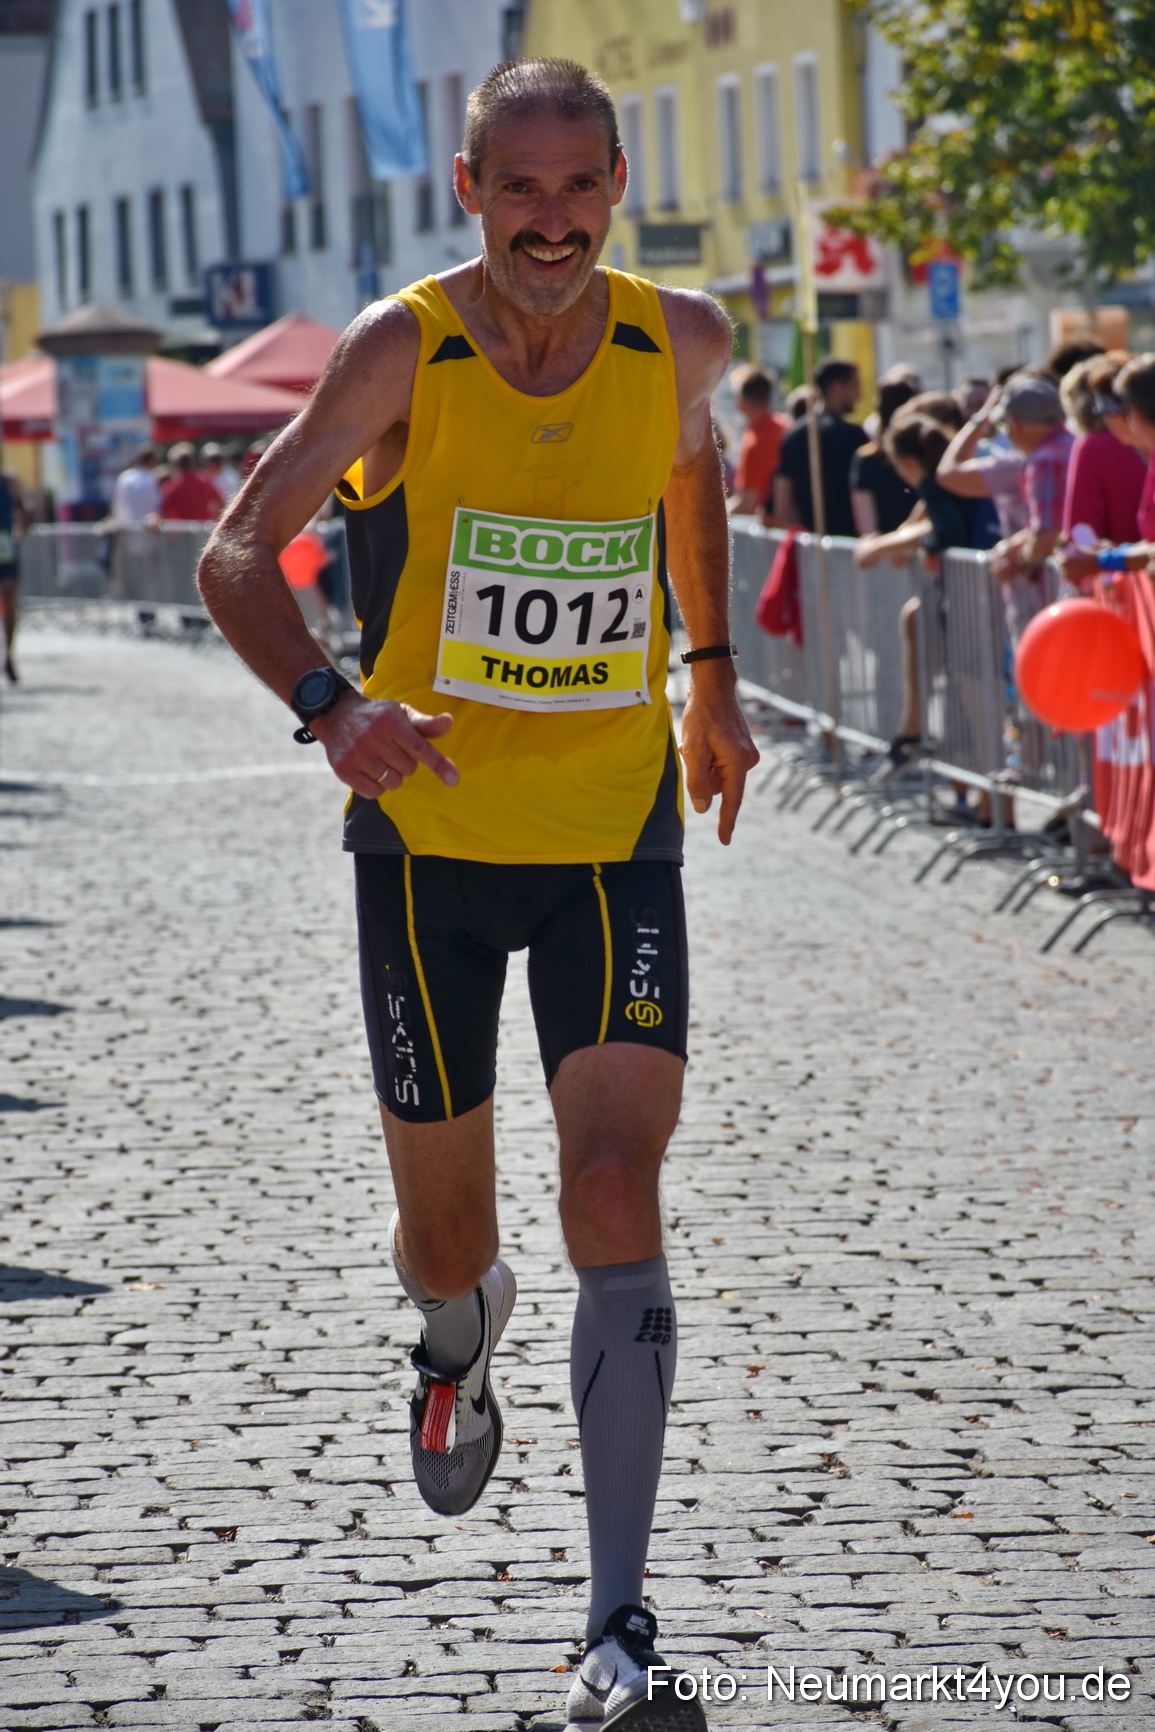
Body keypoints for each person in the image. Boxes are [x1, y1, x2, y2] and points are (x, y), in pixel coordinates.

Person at [196, 55, 759, 1732]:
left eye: (582, 189)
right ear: (468, 187)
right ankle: (458, 1337)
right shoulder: (405, 345)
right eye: (521, 192)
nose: (554, 224)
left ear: (617, 182)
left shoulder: (684, 338)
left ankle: (617, 1627)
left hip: (609, 833)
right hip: (432, 842)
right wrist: (334, 705)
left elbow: (689, 468)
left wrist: (711, 674)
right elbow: (238, 548)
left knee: (612, 1183)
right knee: (451, 1238)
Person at [765, 357, 867, 537]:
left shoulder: (793, 434)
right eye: (855, 386)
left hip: (810, 548)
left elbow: (782, 507)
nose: (859, 395)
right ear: (837, 387)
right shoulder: (854, 436)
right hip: (849, 545)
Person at [990, 375, 1074, 583]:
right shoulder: (1074, 443)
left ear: (1016, 424)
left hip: (1069, 588)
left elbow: (1048, 535)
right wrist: (1017, 545)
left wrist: (1021, 561)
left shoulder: (1044, 460)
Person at [1059, 353, 1146, 547]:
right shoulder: (1140, 444)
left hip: (1121, 574)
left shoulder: (1093, 447)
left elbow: (1082, 533)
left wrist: (1106, 560)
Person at [936, 381, 1028, 540]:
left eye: (982, 404)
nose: (975, 411)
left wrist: (982, 418)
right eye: (968, 405)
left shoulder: (1019, 457)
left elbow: (948, 475)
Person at [849, 373, 919, 535]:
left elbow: (867, 527)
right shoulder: (925, 457)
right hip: (915, 547)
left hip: (885, 551)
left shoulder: (866, 459)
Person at [727, 366, 790, 516]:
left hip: (768, 529)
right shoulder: (786, 426)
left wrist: (710, 517)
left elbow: (746, 504)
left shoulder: (755, 443)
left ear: (741, 400)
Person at [0, 469, 27, 683]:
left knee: (10, 602)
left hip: (6, 552)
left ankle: (8, 655)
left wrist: (20, 533)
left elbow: (24, 514)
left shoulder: (9, 482)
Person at [158, 443, 224, 522]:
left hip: (184, 531)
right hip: (204, 529)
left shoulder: (173, 487)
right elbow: (220, 502)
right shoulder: (204, 480)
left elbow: (163, 513)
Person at [110, 445, 161, 528]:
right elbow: (155, 506)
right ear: (151, 461)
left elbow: (115, 506)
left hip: (124, 530)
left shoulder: (124, 477)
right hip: (145, 531)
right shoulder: (150, 479)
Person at [201, 441, 242, 505]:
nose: (213, 463)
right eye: (211, 460)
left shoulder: (231, 476)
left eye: (216, 459)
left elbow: (233, 500)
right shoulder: (204, 478)